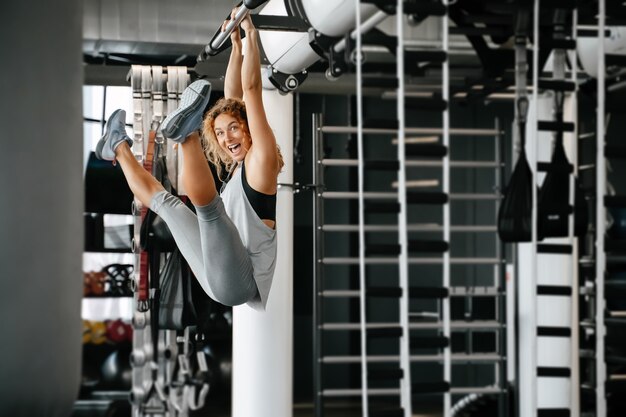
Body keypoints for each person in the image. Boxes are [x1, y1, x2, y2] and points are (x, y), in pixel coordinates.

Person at [95, 11, 283, 311]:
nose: (226, 138)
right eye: (219, 133)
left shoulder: (262, 161)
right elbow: (233, 96)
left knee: (210, 214)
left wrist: (251, 33)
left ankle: (186, 136)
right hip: (216, 273)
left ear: (249, 127)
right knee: (166, 206)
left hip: (239, 283)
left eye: (233, 128)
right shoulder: (237, 167)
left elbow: (250, 92)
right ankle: (116, 147)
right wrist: (235, 44)